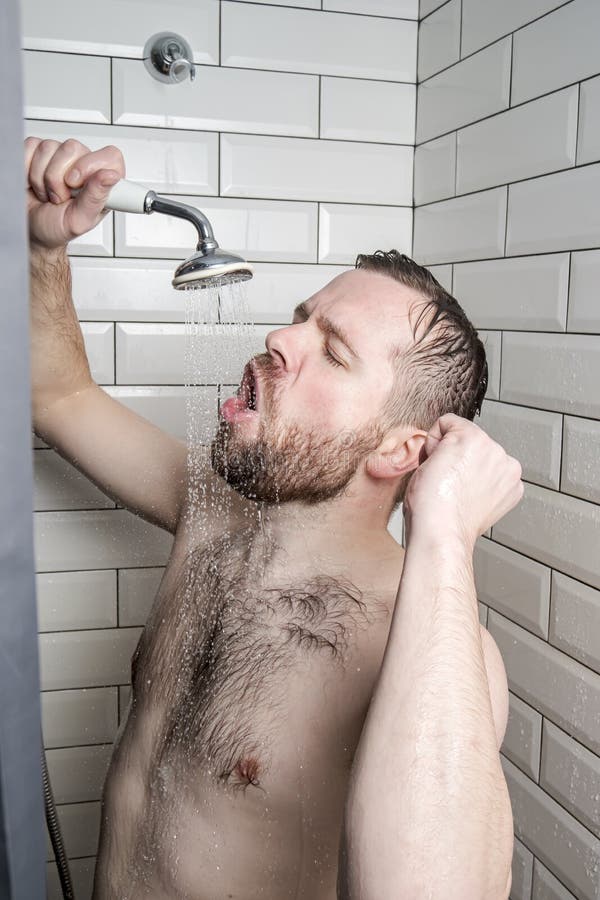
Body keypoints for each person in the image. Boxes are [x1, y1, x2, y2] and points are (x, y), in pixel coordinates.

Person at [26, 137, 519, 900]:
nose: (279, 341)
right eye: (299, 320)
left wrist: (446, 534)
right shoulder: (213, 515)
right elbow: (58, 397)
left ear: (401, 448)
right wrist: (41, 245)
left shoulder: (427, 643)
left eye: (334, 351)